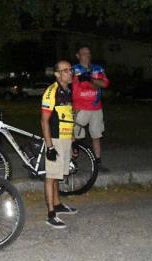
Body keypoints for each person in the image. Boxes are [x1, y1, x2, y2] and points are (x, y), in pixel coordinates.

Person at [41, 60, 78, 229]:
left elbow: (69, 116)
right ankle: (50, 214)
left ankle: (57, 204)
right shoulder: (51, 91)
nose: (70, 73)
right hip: (55, 139)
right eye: (65, 70)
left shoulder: (68, 90)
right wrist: (49, 147)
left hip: (65, 139)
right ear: (57, 74)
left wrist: (73, 140)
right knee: (51, 177)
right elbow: (44, 121)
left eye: (70, 70)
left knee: (57, 176)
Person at [72, 45, 109, 171]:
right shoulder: (73, 69)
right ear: (78, 56)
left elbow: (104, 84)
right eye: (83, 53)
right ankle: (71, 161)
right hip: (80, 108)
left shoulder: (97, 68)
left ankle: (98, 163)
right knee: (74, 135)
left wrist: (89, 78)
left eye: (88, 53)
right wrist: (93, 83)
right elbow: (77, 86)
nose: (87, 55)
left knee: (96, 135)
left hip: (96, 108)